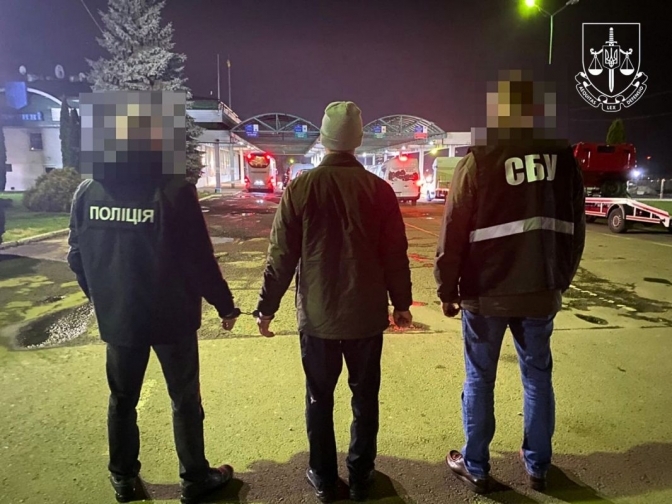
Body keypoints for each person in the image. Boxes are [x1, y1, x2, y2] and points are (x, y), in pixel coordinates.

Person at [67, 91, 240, 504]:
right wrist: (224, 304)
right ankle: (194, 478)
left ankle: (123, 479)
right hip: (171, 317)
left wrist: (103, 298)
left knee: (121, 400)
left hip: (120, 319)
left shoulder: (87, 192)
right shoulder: (174, 190)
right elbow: (198, 258)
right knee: (184, 399)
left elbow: (76, 256)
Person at [434, 70, 586, 494]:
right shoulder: (563, 160)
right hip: (541, 288)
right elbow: (576, 227)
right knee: (537, 377)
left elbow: (453, 229)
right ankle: (538, 465)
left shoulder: (481, 158)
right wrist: (561, 278)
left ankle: (476, 466)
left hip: (486, 292)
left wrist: (447, 289)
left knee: (479, 378)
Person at [254, 101, 413, 502]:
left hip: (318, 316)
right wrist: (402, 303)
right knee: (365, 397)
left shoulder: (301, 187)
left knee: (319, 397)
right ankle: (361, 475)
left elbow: (281, 255)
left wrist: (267, 307)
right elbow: (395, 253)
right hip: (365, 315)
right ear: (357, 140)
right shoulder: (379, 190)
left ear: (324, 138)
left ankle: (324, 478)